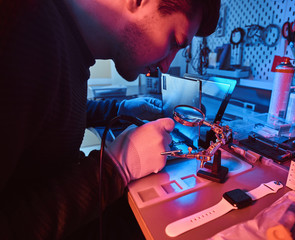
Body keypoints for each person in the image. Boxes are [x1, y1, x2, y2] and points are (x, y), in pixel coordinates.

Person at [0, 0, 220, 239]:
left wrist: (121, 108)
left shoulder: (67, 42)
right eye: (174, 41)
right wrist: (116, 167)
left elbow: (50, 112)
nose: (166, 67)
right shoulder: (20, 28)